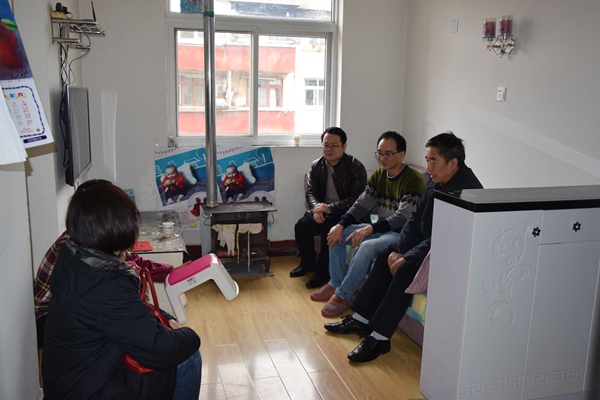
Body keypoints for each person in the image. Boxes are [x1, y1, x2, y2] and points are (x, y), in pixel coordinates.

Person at [324, 132, 483, 362]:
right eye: (427, 160)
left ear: (453, 163)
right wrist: (399, 248)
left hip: (448, 253)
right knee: (385, 255)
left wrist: (408, 256)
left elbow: (447, 236)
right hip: (426, 245)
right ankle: (362, 318)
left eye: (433, 160)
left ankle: (379, 337)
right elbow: (415, 218)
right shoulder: (436, 180)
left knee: (405, 269)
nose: (428, 167)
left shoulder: (469, 192)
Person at [42, 183, 201, 399]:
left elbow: (126, 312)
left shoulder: (73, 254)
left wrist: (166, 320)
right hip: (91, 390)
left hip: (72, 380)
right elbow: (160, 351)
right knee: (188, 357)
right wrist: (190, 334)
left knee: (166, 332)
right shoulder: (107, 284)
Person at [33, 179, 175, 350]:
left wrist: (170, 272)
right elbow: (111, 294)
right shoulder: (77, 248)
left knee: (157, 320)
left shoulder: (93, 237)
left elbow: (132, 260)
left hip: (75, 310)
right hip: (48, 317)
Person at [311, 131, 426, 317]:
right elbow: (361, 205)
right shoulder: (380, 174)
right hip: (381, 228)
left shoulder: (413, 180)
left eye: (388, 154)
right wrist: (340, 225)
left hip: (400, 234)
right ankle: (335, 283)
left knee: (366, 246)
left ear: (401, 154)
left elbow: (402, 218)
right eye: (379, 153)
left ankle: (343, 295)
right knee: (335, 232)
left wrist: (370, 228)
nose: (382, 158)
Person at [290, 127, 367, 289]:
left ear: (344, 147)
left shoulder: (355, 167)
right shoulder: (317, 165)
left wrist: (329, 208)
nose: (329, 149)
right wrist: (316, 209)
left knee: (328, 229)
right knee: (301, 226)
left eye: (334, 145)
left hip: (346, 213)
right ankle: (307, 264)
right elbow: (311, 192)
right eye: (325, 145)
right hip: (323, 211)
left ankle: (322, 273)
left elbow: (356, 199)